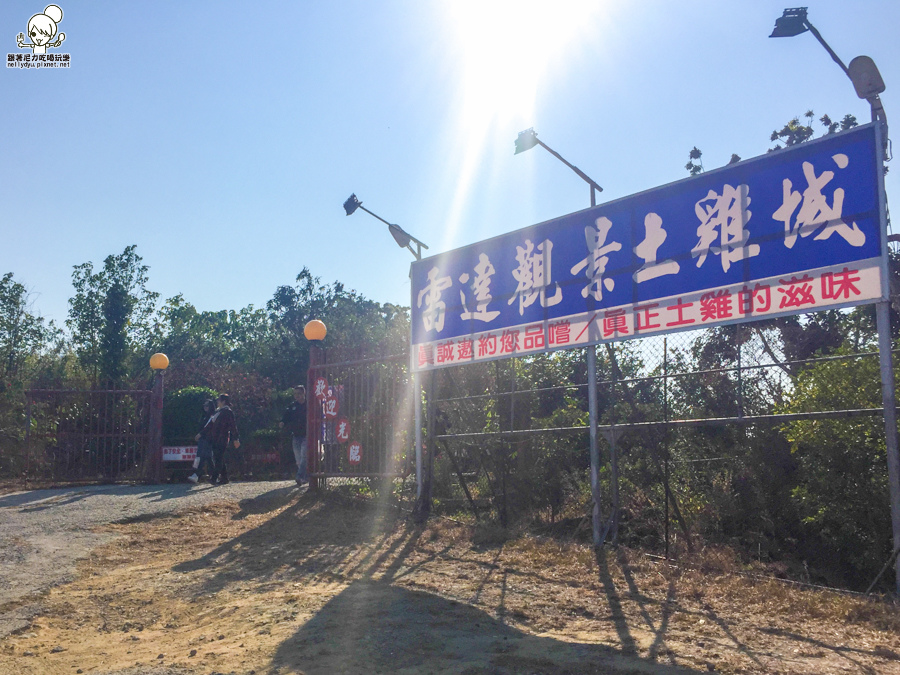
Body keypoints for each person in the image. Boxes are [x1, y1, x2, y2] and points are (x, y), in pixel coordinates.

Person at [208, 394, 240, 485]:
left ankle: (214, 478)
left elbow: (233, 426)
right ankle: (224, 477)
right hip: (216, 438)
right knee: (219, 458)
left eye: (219, 400)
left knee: (218, 458)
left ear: (223, 401)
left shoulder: (227, 412)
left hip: (222, 438)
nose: (217, 401)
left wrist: (236, 438)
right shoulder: (218, 411)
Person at [280, 385, 308, 485]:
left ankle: (299, 476)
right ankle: (305, 478)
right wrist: (283, 422)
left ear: (304, 393)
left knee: (305, 455)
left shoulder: (309, 405)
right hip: (296, 435)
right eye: (295, 394)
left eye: (299, 394)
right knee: (299, 460)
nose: (297, 396)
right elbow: (286, 416)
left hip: (307, 435)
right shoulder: (292, 406)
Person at [187, 400, 216, 484]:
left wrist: (200, 434)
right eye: (204, 406)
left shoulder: (211, 416)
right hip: (204, 439)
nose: (205, 407)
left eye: (207, 406)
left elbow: (208, 428)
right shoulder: (205, 416)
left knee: (201, 456)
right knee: (207, 458)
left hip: (207, 439)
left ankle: (197, 474)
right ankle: (214, 475)